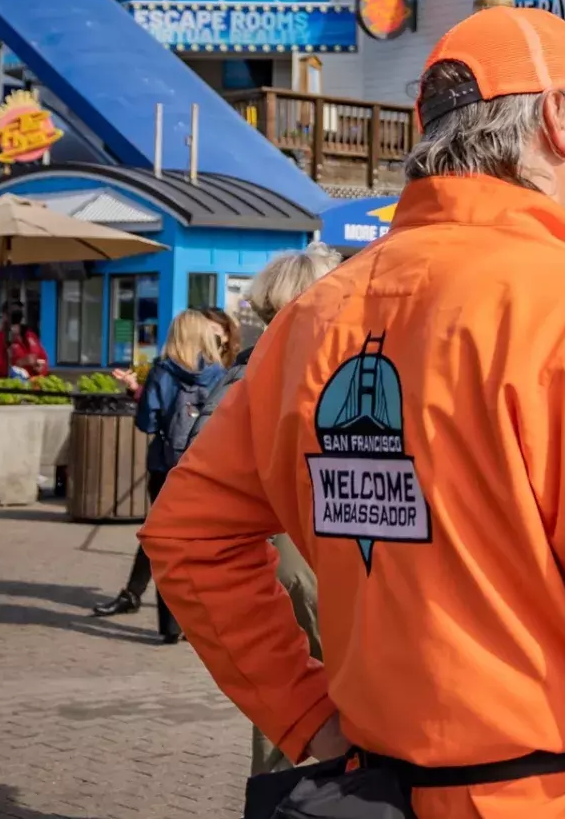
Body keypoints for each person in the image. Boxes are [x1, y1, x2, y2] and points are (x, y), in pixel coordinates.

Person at [136, 5, 565, 818]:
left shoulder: (314, 318)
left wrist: (308, 717)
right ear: (555, 119)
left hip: (371, 793)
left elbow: (186, 531)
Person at [177, 246, 344, 775]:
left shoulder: (251, 372)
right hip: (296, 559)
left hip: (283, 560)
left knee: (291, 703)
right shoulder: (291, 375)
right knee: (315, 696)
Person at [91, 309, 226, 643]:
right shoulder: (219, 373)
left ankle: (169, 623)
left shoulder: (162, 371)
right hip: (205, 468)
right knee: (198, 543)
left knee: (164, 541)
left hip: (166, 468)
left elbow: (147, 423)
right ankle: (204, 617)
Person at [0, 306, 47, 379]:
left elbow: (44, 359)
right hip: (14, 385)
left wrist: (40, 369)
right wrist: (19, 363)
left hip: (34, 385)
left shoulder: (31, 336)